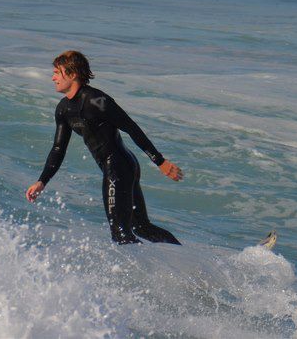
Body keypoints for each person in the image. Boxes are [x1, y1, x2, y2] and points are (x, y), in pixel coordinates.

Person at [25, 50, 183, 245]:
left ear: (72, 74)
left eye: (58, 72)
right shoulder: (63, 109)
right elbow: (58, 149)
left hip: (119, 167)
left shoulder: (98, 101)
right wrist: (42, 181)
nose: (53, 77)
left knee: (120, 233)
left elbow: (132, 128)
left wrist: (160, 162)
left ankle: (143, 272)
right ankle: (185, 259)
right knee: (140, 227)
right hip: (116, 167)